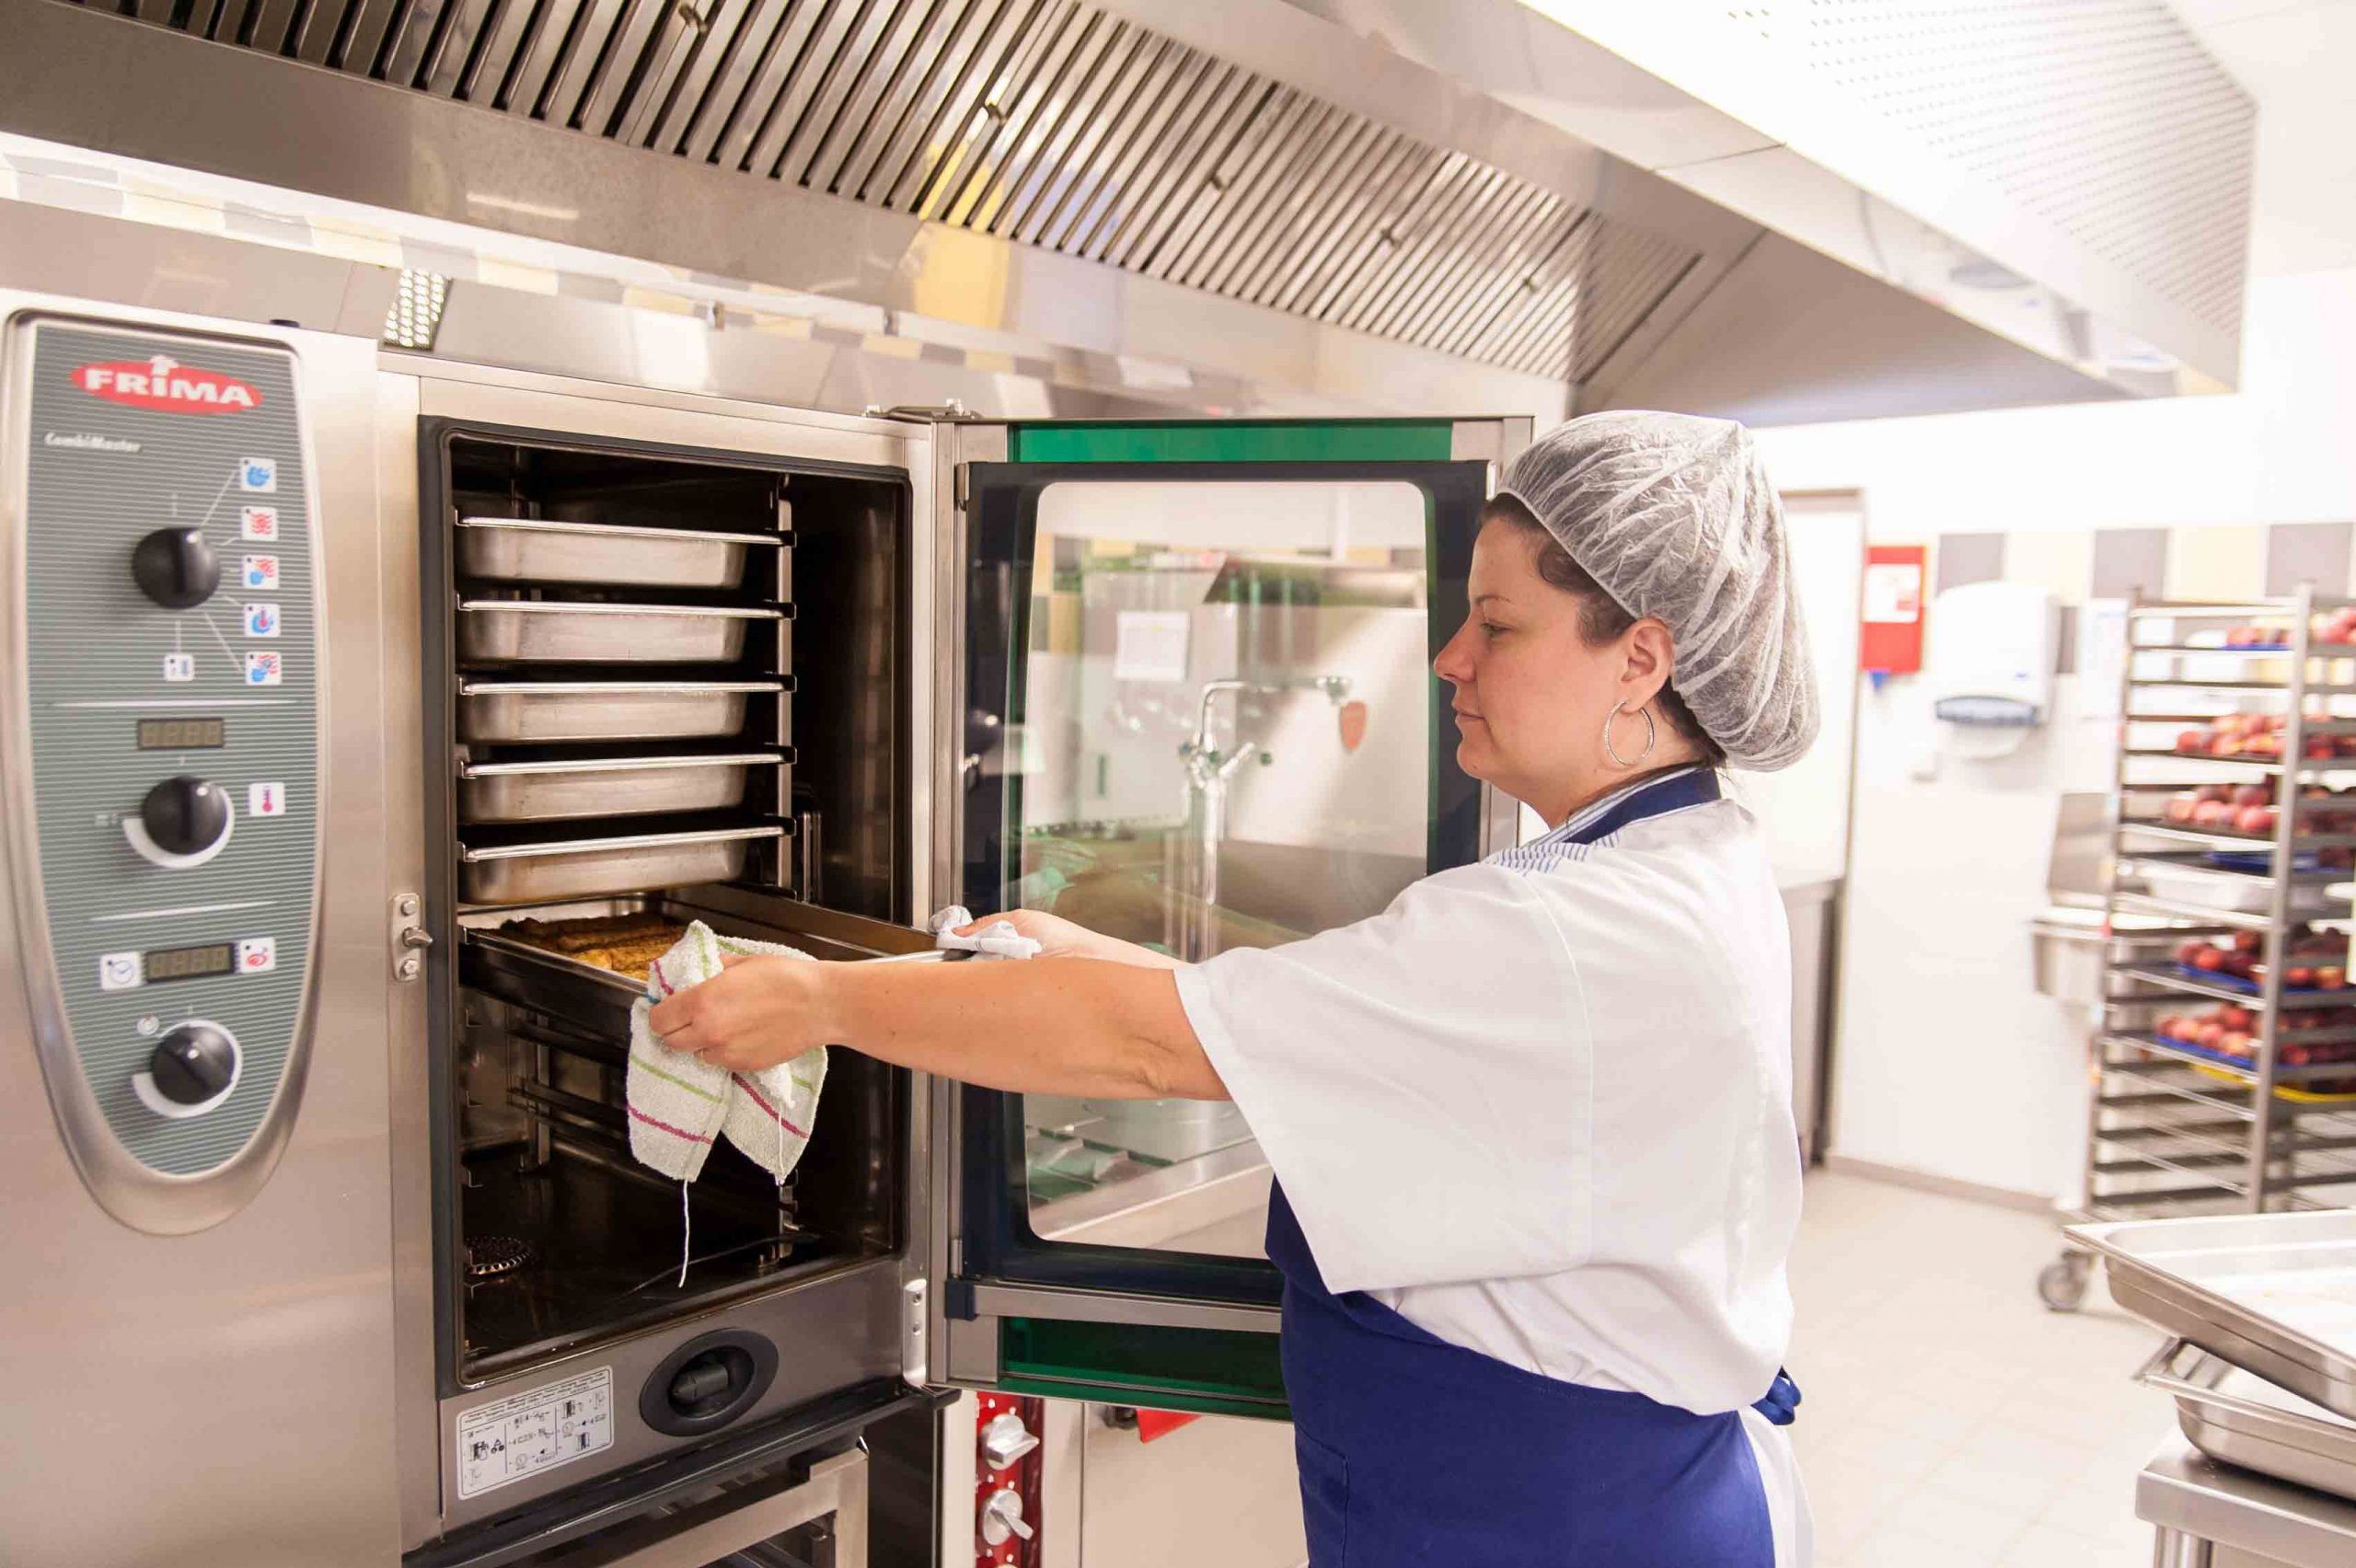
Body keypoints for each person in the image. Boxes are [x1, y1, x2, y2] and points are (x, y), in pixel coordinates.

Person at [651, 411, 1820, 1566]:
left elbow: (1149, 1052)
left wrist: (822, 1002)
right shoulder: (1675, 867)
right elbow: (1331, 1024)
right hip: (1607, 1494)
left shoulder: (1563, 934)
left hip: (1545, 1522)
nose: (1449, 656)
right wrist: (1089, 954)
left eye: (1496, 624)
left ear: (1639, 661)